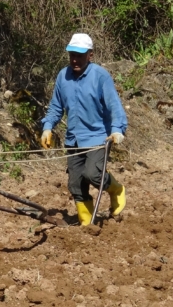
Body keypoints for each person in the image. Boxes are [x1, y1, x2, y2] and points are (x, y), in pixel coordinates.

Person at [40, 33, 128, 226]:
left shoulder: (100, 76)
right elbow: (56, 107)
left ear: (90, 55)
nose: (75, 60)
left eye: (79, 55)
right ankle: (87, 225)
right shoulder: (63, 76)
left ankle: (116, 189)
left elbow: (114, 105)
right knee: (75, 184)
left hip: (98, 137)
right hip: (74, 139)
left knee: (93, 174)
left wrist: (117, 129)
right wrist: (47, 127)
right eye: (72, 55)